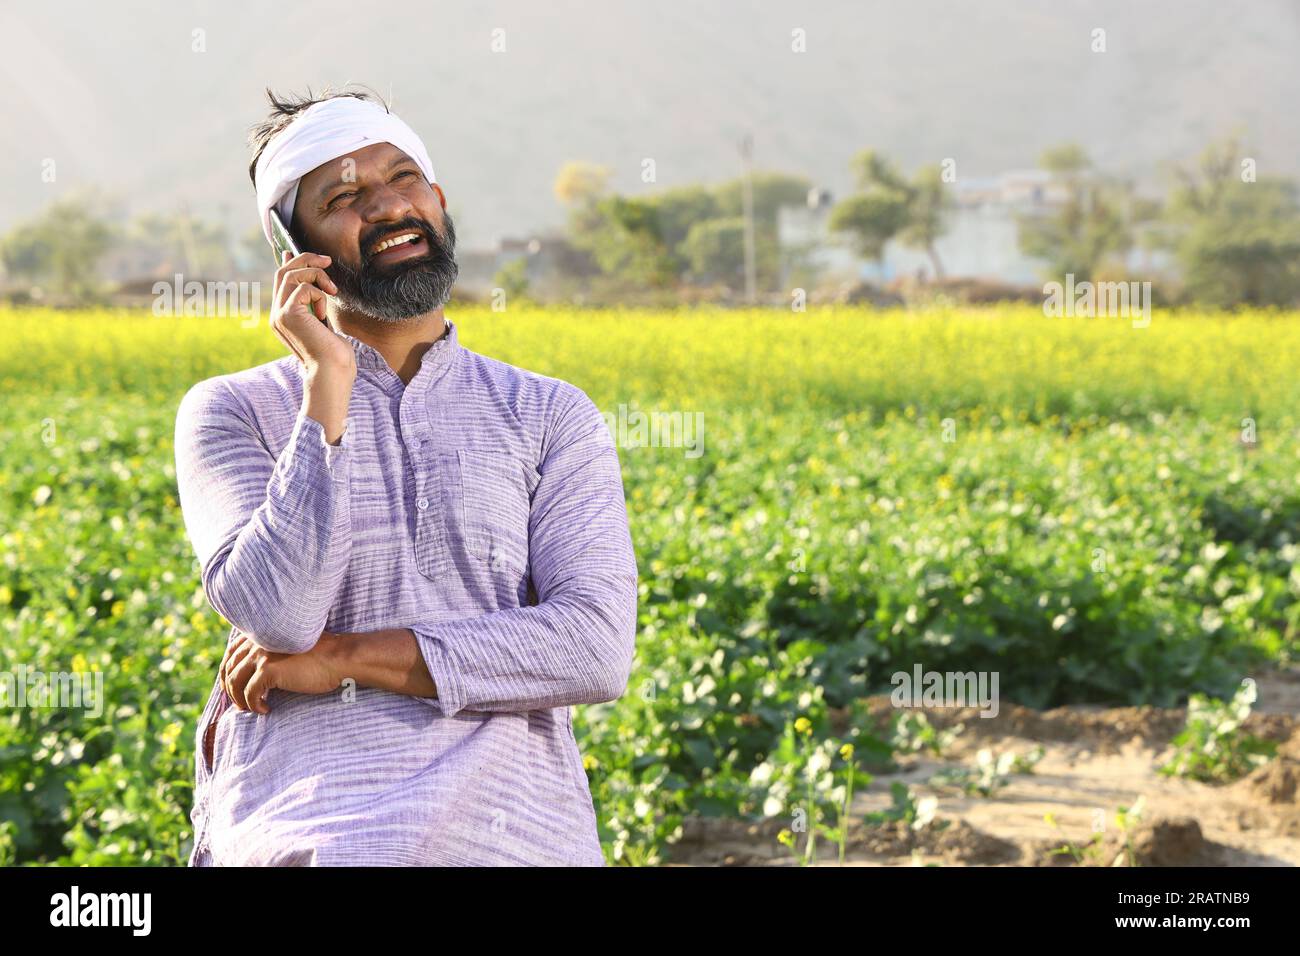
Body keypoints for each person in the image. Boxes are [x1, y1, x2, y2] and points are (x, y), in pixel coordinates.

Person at [173, 87, 638, 866]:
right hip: (312, 830)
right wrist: (327, 383)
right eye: (346, 197)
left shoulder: (551, 414)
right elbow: (281, 618)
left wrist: (347, 659)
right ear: (297, 253)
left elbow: (592, 647)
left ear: (441, 201)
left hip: (515, 834)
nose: (390, 208)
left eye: (405, 179)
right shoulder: (231, 412)